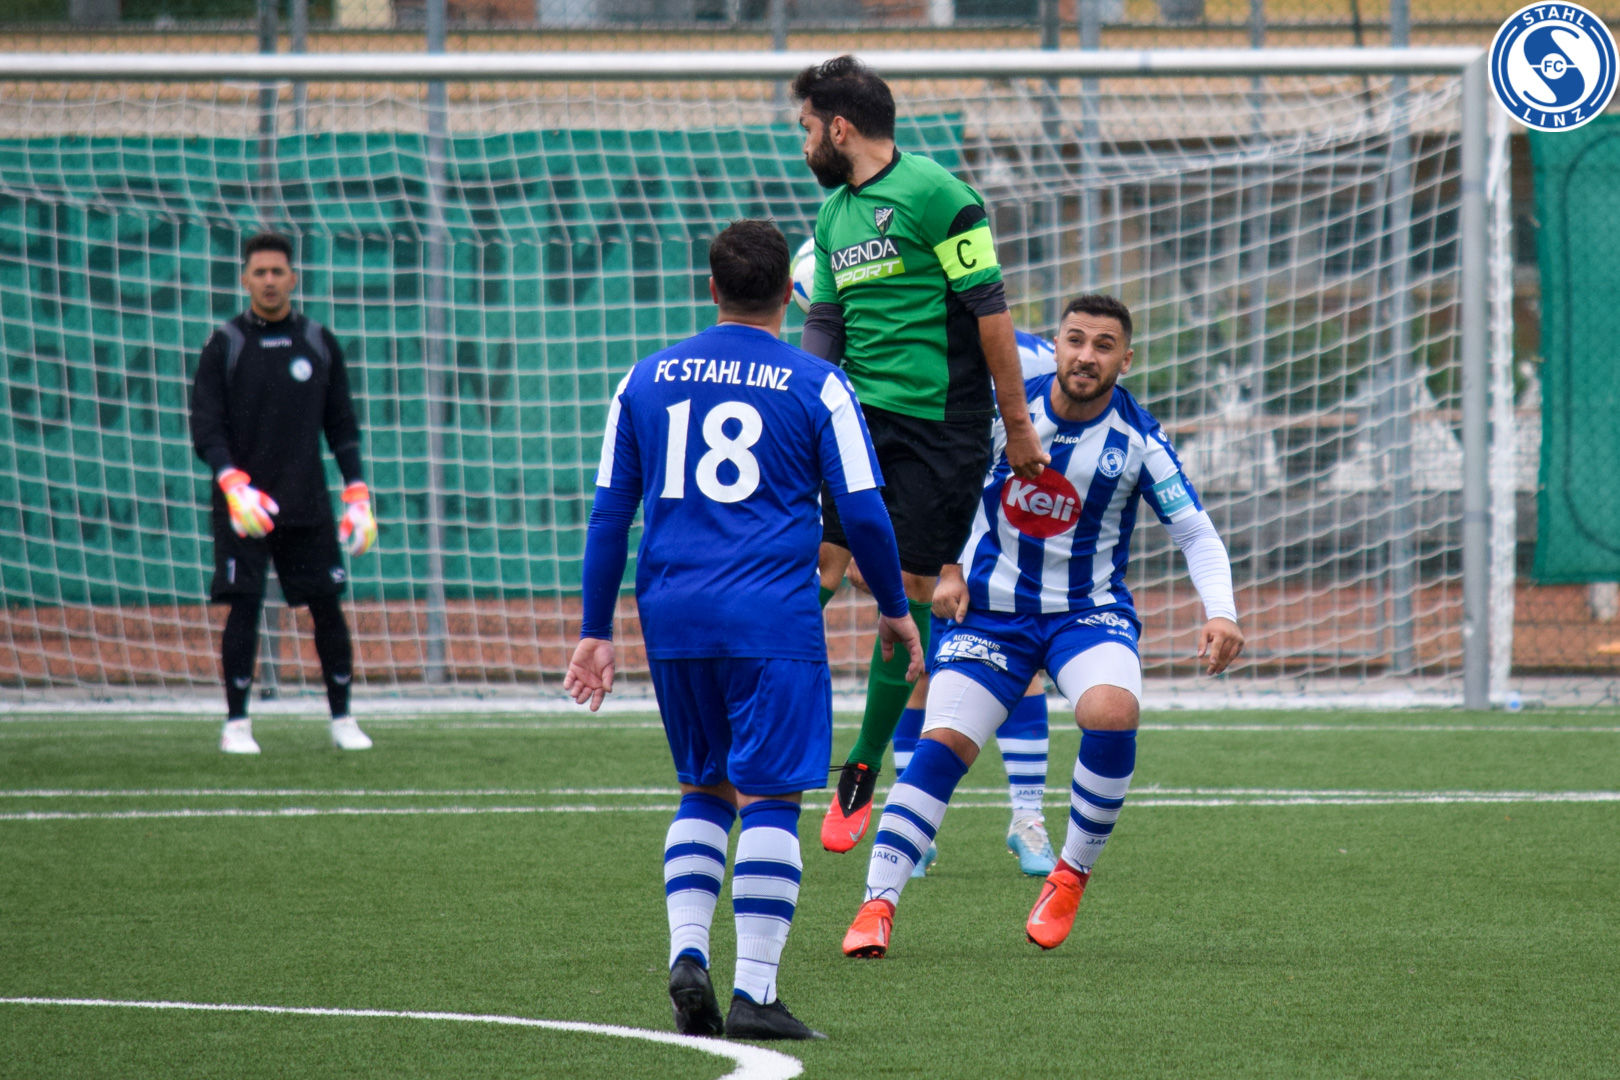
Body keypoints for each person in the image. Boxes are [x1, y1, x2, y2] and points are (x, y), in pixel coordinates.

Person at [564, 219, 923, 1041]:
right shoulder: (819, 383)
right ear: (792, 293)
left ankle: (688, 955)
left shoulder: (644, 378)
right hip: (770, 618)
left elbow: (610, 514)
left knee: (704, 789)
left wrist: (594, 629)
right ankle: (755, 992)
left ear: (712, 288)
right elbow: (864, 513)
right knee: (771, 796)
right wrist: (895, 608)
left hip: (673, 615)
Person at [840, 294, 1245, 959]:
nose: (1086, 356)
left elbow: (1195, 532)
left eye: (1103, 345)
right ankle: (876, 905)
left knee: (1112, 711)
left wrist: (1221, 611)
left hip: (1088, 613)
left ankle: (1070, 875)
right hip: (991, 614)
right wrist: (948, 567)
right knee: (943, 745)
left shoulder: (1139, 439)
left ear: (1125, 360)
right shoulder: (1006, 414)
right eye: (1075, 340)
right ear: (1055, 346)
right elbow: (946, 493)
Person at [792, 55, 1048, 856]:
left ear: (839, 127)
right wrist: (799, 401)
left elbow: (990, 311)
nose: (803, 143)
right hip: (858, 418)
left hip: (942, 425)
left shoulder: (941, 195)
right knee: (819, 560)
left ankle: (864, 763)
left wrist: (1017, 423)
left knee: (904, 591)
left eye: (806, 128)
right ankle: (766, 708)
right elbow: (825, 325)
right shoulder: (833, 216)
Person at [190, 233, 378, 755]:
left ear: (293, 278)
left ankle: (342, 718)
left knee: (327, 606)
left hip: (305, 500)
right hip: (243, 506)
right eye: (260, 272)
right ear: (245, 279)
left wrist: (357, 491)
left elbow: (341, 425)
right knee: (243, 606)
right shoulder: (225, 345)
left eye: (277, 271)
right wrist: (232, 482)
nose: (269, 281)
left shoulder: (317, 341)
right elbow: (205, 427)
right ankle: (236, 724)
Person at [890, 328, 1062, 879]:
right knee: (916, 668)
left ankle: (1028, 819)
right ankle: (915, 829)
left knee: (1020, 668)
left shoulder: (1037, 355)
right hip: (925, 524)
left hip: (1002, 546)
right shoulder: (908, 343)